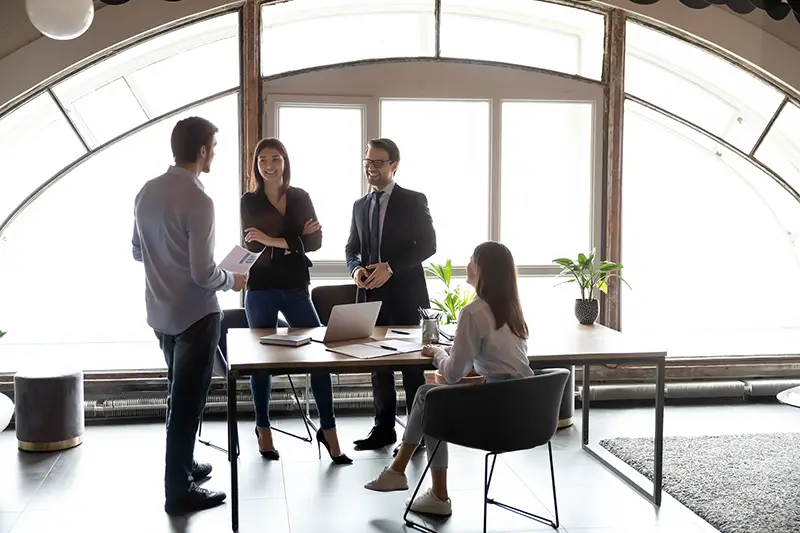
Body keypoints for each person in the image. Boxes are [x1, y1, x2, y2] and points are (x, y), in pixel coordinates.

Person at [363, 241, 534, 517]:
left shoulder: (473, 312)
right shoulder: (514, 313)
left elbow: (453, 375)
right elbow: (501, 358)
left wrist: (439, 353)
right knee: (431, 397)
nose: (467, 265)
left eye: (472, 261)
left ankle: (421, 485)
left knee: (431, 400)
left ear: (484, 271)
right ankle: (407, 477)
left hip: (497, 416)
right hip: (528, 412)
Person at [132, 116, 247, 516]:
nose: (214, 153)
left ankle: (185, 465)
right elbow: (203, 274)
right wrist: (233, 279)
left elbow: (137, 250)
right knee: (188, 402)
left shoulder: (146, 192)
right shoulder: (200, 201)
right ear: (201, 151)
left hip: (160, 312)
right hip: (196, 316)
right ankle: (177, 490)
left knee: (176, 394)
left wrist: (166, 260)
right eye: (213, 147)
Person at [241, 137, 352, 465]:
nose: (269, 165)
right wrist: (293, 241)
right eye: (263, 159)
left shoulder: (301, 196)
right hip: (260, 286)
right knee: (261, 362)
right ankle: (263, 428)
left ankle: (328, 430)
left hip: (294, 285)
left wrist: (273, 239)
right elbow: (250, 244)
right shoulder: (249, 200)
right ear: (257, 165)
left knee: (317, 355)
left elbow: (315, 242)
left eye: (275, 158)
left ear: (285, 162)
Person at [345, 138, 436, 452]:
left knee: (412, 366)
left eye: (378, 162)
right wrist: (356, 269)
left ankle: (417, 433)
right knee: (378, 366)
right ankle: (382, 429)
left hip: (406, 295)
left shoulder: (413, 200)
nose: (371, 167)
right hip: (371, 297)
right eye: (367, 161)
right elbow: (351, 248)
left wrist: (391, 267)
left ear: (394, 165)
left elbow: (428, 245)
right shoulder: (360, 205)